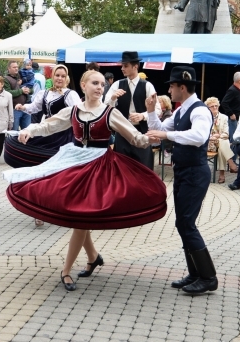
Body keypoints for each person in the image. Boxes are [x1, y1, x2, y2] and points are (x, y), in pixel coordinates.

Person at [10, 69, 165, 292]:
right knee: (79, 215)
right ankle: (93, 257)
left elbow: (134, 136)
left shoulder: (110, 113)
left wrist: (151, 138)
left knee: (81, 219)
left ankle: (66, 270)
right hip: (75, 163)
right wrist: (30, 130)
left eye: (102, 84)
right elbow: (48, 125)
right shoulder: (73, 110)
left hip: (100, 168)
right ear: (83, 85)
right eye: (95, 83)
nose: (100, 87)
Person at [145, 66, 218, 294]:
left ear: (182, 87)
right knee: (182, 223)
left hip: (196, 172)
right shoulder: (179, 111)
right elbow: (157, 129)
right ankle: (196, 273)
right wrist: (150, 112)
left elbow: (198, 137)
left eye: (172, 86)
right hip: (184, 172)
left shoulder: (200, 110)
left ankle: (208, 277)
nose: (169, 89)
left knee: (187, 223)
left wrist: (167, 135)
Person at [104, 51, 160, 170]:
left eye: (126, 66)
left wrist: (143, 116)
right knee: (121, 168)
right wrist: (113, 98)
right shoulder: (117, 84)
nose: (122, 69)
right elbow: (104, 108)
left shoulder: (147, 85)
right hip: (122, 132)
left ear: (135, 66)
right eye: (122, 66)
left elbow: (158, 110)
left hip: (142, 131)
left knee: (143, 168)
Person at [205, 97, 235, 184]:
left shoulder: (224, 117)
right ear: (208, 108)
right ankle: (230, 162)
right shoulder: (205, 117)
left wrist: (218, 136)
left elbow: (226, 134)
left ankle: (222, 174)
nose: (215, 107)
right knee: (223, 143)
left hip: (220, 141)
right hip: (209, 143)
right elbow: (203, 133)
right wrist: (211, 137)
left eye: (216, 106)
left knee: (222, 143)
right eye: (212, 106)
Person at [220, 72, 240, 166]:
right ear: (239, 80)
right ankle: (232, 162)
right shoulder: (232, 90)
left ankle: (233, 161)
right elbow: (224, 103)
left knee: (235, 139)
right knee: (233, 140)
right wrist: (231, 114)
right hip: (233, 120)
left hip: (237, 119)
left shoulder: (237, 90)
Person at [5, 61, 32, 130]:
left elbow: (32, 89)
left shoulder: (22, 76)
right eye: (14, 67)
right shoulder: (6, 79)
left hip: (26, 108)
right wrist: (21, 91)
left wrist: (29, 90)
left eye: (17, 67)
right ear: (9, 68)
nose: (16, 69)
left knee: (27, 132)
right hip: (15, 109)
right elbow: (8, 93)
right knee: (14, 132)